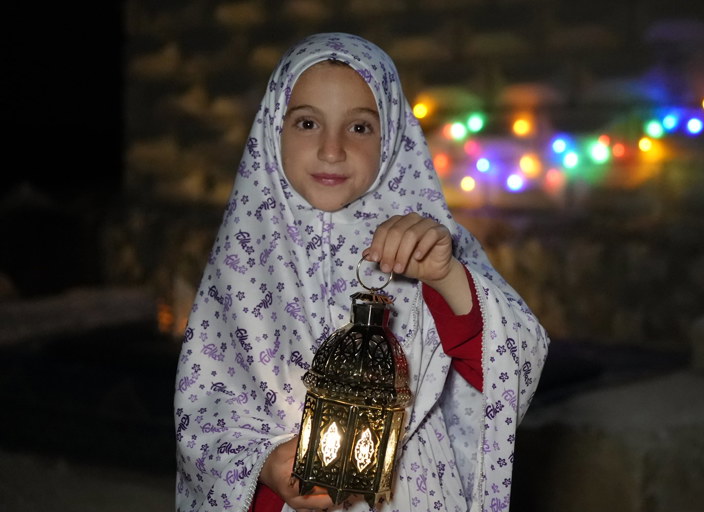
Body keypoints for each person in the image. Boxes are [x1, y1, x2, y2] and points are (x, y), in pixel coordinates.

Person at [174, 32, 549, 512]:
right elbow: (205, 410)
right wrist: (266, 466)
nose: (332, 150)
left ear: (392, 135)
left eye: (359, 128)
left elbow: (507, 371)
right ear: (273, 129)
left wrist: (446, 277)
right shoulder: (244, 258)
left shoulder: (427, 240)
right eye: (308, 123)